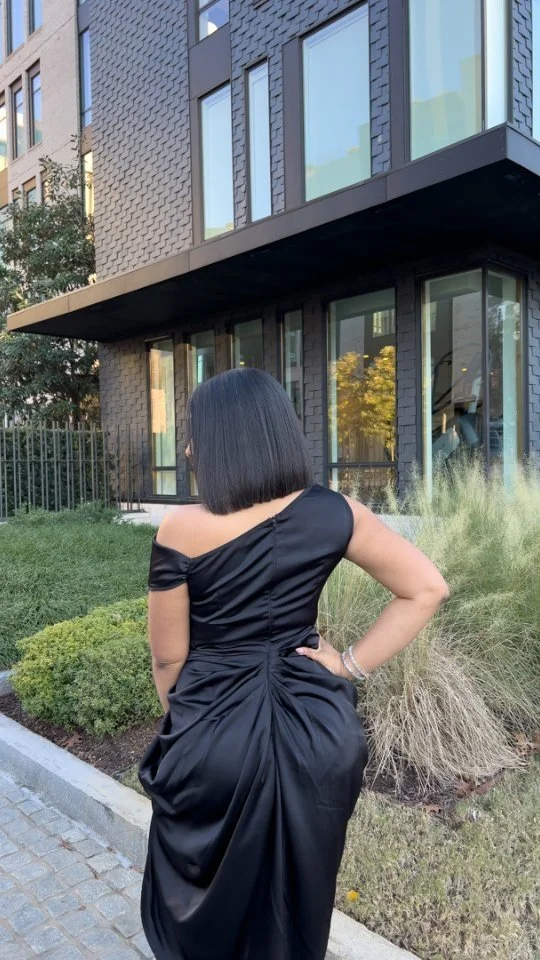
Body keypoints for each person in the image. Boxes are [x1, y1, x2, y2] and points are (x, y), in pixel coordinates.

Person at [138, 368, 448, 960]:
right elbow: (427, 588)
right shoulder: (337, 512)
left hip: (216, 731)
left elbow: (168, 654)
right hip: (318, 731)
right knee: (297, 889)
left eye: (194, 434)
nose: (189, 449)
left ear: (222, 439)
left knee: (205, 896)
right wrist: (347, 665)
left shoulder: (182, 528)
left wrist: (184, 724)